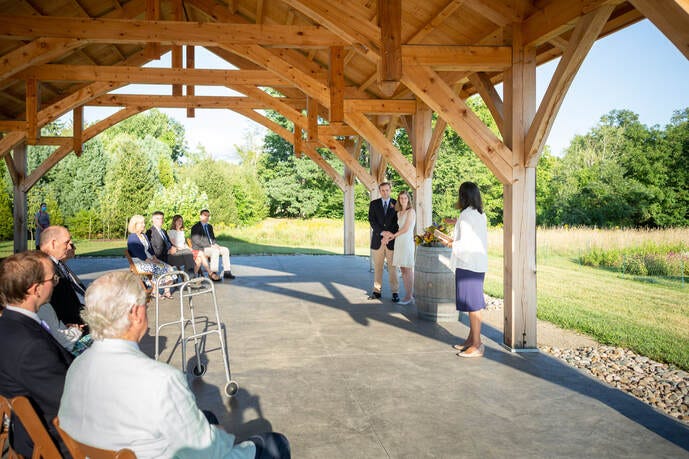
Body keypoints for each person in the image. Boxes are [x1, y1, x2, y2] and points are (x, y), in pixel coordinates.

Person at [58, 271, 291, 459]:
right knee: (274, 444)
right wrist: (219, 437)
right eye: (146, 304)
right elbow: (208, 453)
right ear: (136, 314)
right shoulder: (161, 379)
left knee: (206, 416)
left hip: (102, 450)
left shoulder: (78, 366)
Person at [0, 250, 74, 457]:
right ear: (36, 289)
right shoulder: (31, 346)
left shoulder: (9, 323)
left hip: (29, 432)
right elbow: (69, 401)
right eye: (53, 278)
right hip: (54, 442)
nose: (55, 283)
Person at [446, 182, 488, 358]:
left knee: (473, 305)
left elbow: (466, 242)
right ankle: (471, 339)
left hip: (468, 264)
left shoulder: (466, 215)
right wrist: (456, 223)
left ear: (463, 196)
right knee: (473, 303)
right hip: (477, 264)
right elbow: (474, 235)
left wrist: (449, 242)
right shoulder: (479, 214)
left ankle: (477, 345)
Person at [40, 225, 87, 327]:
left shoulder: (58, 263)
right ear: (53, 243)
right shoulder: (45, 268)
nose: (70, 246)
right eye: (66, 242)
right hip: (72, 325)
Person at [127, 215, 176, 299]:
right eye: (141, 223)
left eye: (144, 223)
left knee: (169, 267)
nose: (144, 225)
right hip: (139, 261)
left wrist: (155, 258)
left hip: (148, 259)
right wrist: (150, 261)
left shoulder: (143, 235)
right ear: (135, 225)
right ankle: (154, 291)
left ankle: (166, 291)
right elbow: (138, 253)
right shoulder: (132, 237)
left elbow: (149, 249)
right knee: (157, 268)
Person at [368, 182, 399, 302]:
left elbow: (398, 222)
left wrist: (389, 235)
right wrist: (382, 233)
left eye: (387, 190)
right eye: (382, 190)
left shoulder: (397, 204)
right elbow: (372, 221)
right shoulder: (374, 204)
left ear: (390, 190)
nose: (385, 192)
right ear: (379, 191)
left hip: (391, 241)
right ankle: (377, 291)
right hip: (378, 240)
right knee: (378, 267)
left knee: (393, 268)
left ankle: (395, 292)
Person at [169, 214, 218, 281]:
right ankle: (210, 273)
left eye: (181, 221)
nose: (180, 222)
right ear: (174, 222)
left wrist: (189, 248)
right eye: (178, 221)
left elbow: (184, 243)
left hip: (185, 250)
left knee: (199, 260)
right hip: (179, 252)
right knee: (200, 253)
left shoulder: (182, 231)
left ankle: (190, 279)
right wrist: (182, 248)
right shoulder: (171, 232)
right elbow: (173, 243)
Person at [388, 191, 416, 305]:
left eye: (405, 198)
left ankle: (409, 296)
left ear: (408, 199)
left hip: (406, 241)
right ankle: (408, 295)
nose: (403, 200)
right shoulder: (399, 213)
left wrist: (393, 236)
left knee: (408, 269)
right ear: (399, 200)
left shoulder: (411, 211)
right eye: (401, 198)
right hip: (399, 241)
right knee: (403, 269)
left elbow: (405, 228)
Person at [190, 209, 235, 280]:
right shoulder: (195, 227)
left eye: (208, 216)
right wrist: (210, 245)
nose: (207, 217)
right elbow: (196, 241)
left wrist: (215, 244)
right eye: (205, 215)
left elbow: (212, 239)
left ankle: (227, 272)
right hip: (201, 249)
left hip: (211, 247)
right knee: (215, 251)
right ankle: (213, 273)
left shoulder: (209, 227)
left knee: (225, 250)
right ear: (200, 216)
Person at [147, 211, 196, 277]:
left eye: (162, 218)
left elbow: (169, 243)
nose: (160, 220)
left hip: (172, 254)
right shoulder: (150, 232)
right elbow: (153, 249)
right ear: (153, 220)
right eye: (157, 218)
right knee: (188, 256)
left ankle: (188, 278)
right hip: (163, 258)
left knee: (188, 253)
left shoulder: (163, 231)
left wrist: (173, 248)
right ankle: (190, 279)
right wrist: (168, 251)